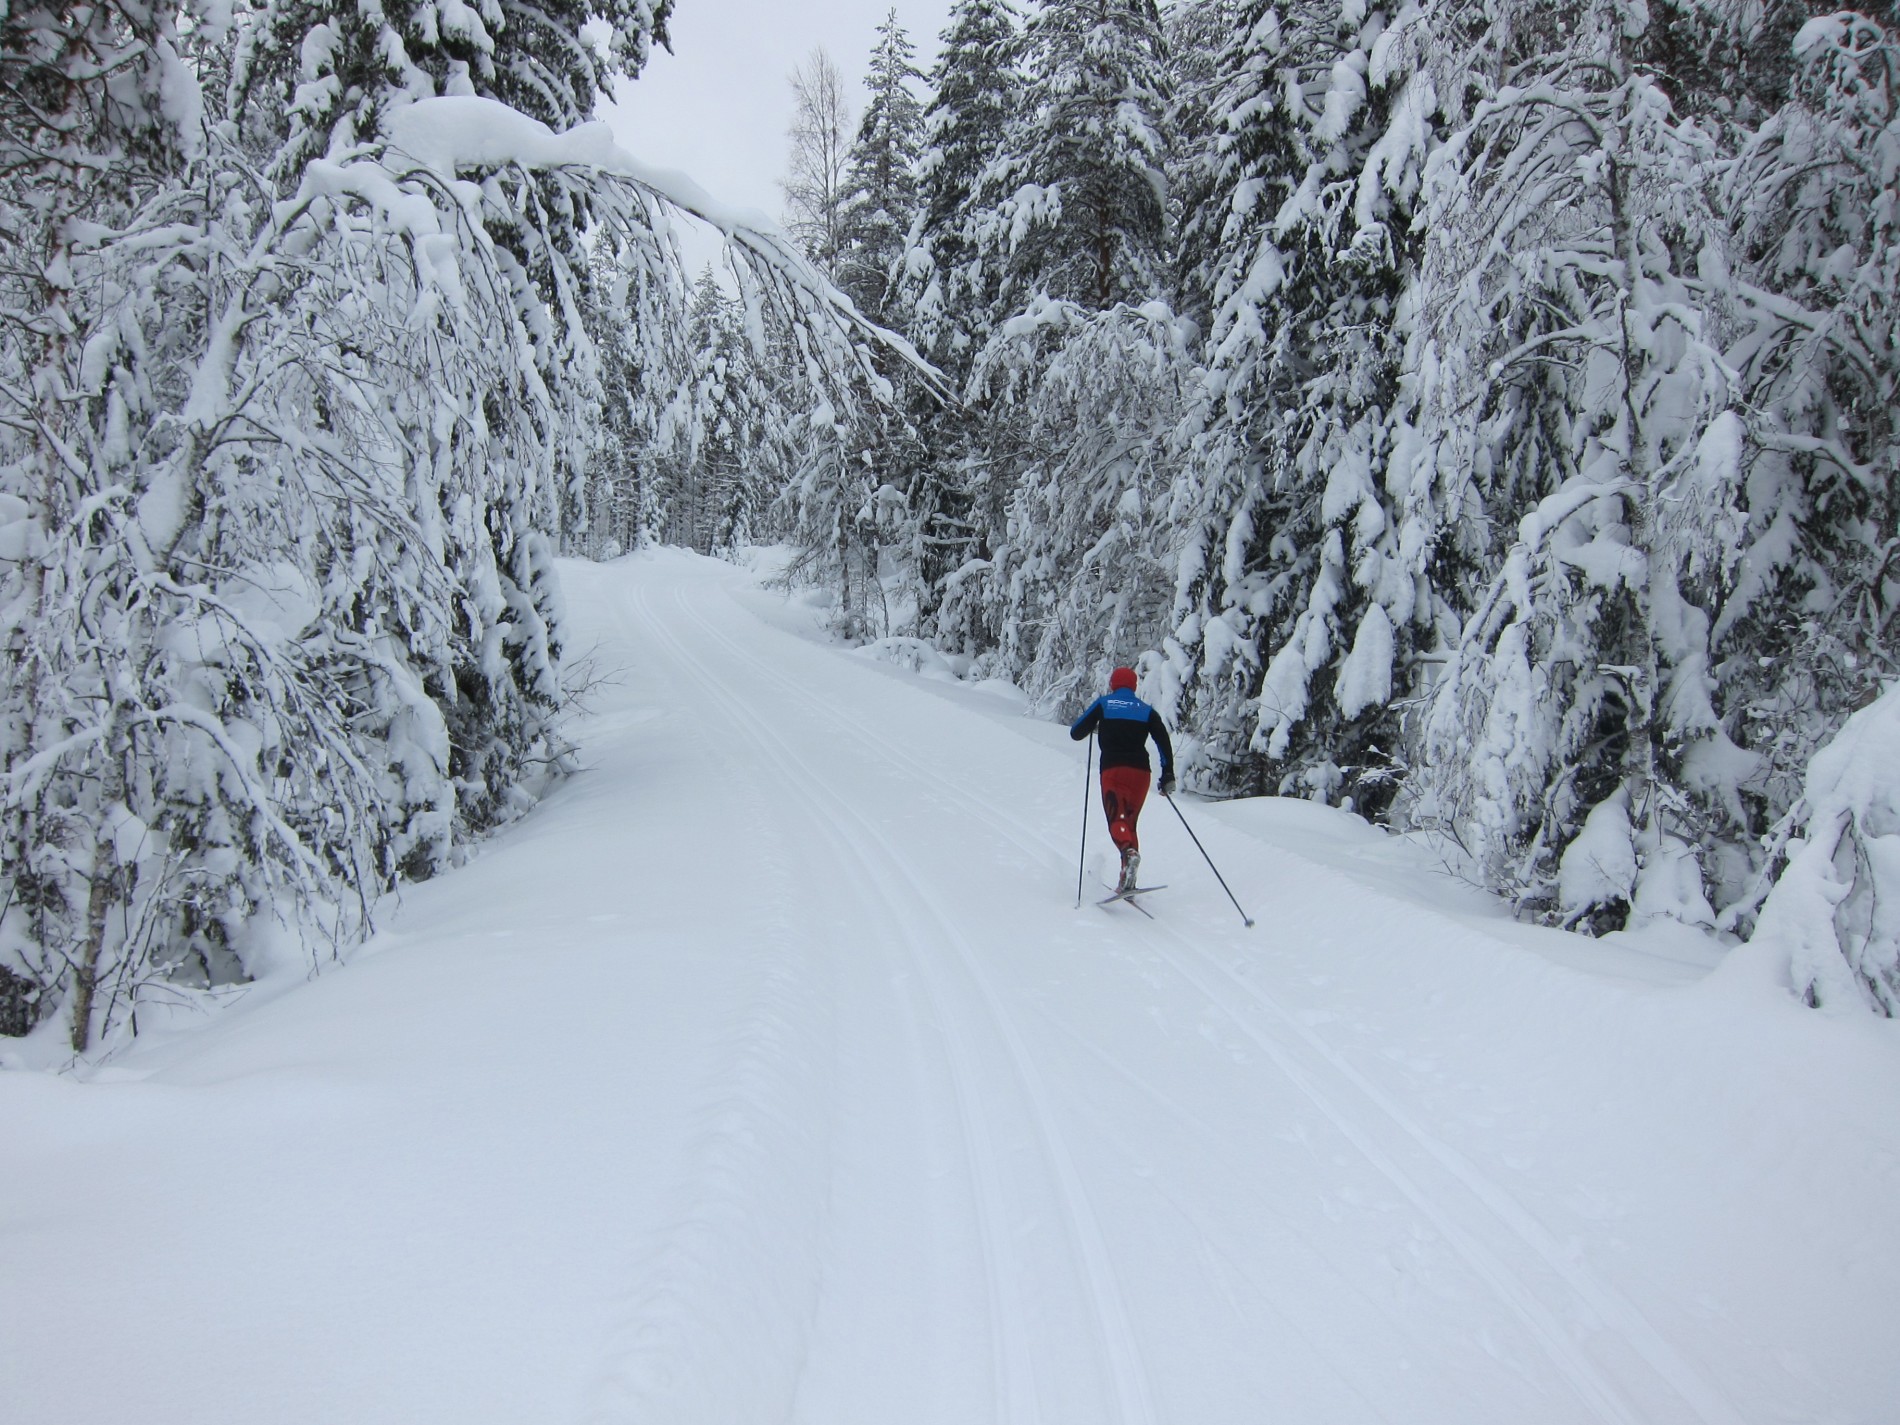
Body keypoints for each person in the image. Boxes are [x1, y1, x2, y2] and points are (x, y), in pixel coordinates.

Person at [1069, 666, 1175, 893]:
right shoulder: (1146, 710)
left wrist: (1096, 723)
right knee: (1130, 822)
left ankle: (1128, 852)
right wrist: (1167, 773)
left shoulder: (1105, 704)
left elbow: (1076, 732)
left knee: (1117, 818)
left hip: (1113, 770)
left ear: (1113, 684)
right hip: (1141, 774)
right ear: (1134, 687)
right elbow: (1163, 741)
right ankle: (1127, 878)